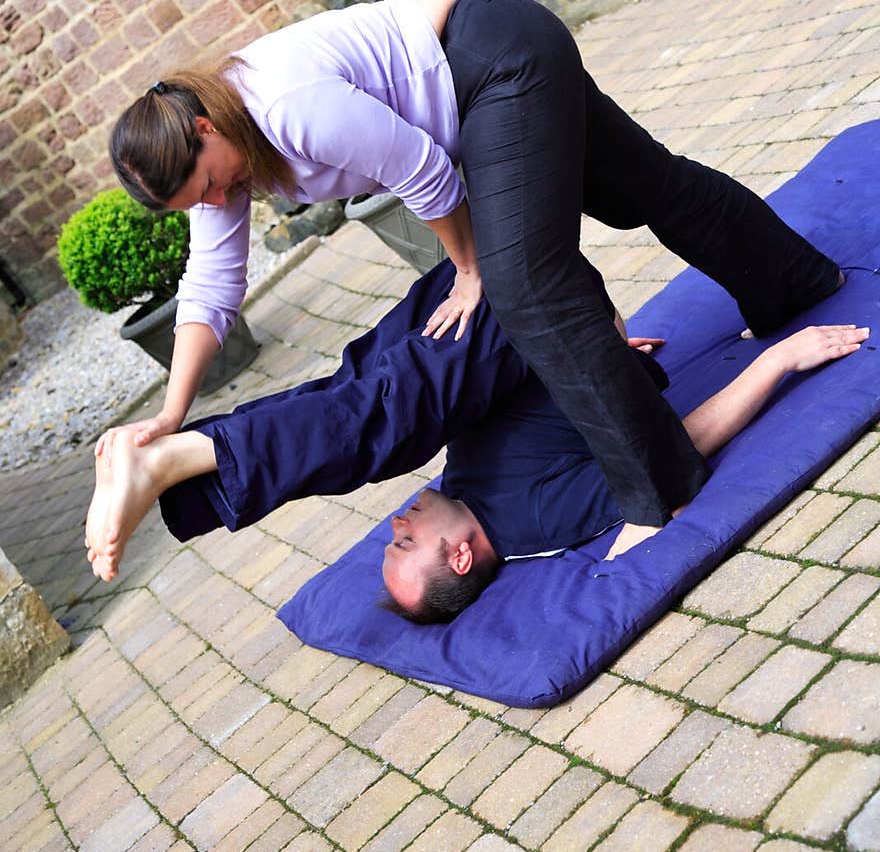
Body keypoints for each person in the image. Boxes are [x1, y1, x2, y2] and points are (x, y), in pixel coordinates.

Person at [106, 0, 843, 533]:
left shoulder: (287, 105)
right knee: (646, 182)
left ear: (204, 128)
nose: (213, 200)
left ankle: (663, 486)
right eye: (195, 203)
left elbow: (423, 171)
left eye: (206, 184)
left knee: (525, 288)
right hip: (482, 82)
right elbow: (211, 285)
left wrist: (470, 269)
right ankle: (799, 283)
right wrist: (173, 412)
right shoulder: (226, 155)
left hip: (496, 59)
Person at [85, 262, 867, 624]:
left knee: (364, 398)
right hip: (525, 300)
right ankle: (178, 460)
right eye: (402, 547)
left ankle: (185, 460)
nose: (394, 529)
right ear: (461, 558)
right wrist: (778, 359)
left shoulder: (466, 495)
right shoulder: (539, 520)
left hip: (486, 307)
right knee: (379, 422)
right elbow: (675, 450)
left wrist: (598, 360)